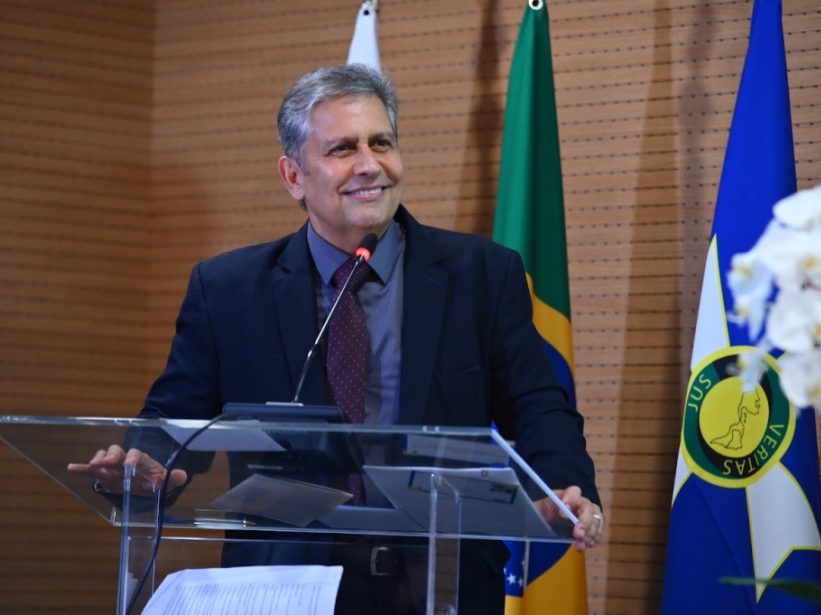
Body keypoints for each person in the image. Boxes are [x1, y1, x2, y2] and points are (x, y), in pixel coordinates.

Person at [69, 64, 602, 614]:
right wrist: (148, 466)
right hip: (284, 588)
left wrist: (564, 489)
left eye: (382, 143)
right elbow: (173, 418)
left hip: (439, 585)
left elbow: (538, 406)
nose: (370, 165)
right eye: (343, 149)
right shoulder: (228, 290)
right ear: (293, 177)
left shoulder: (482, 274)